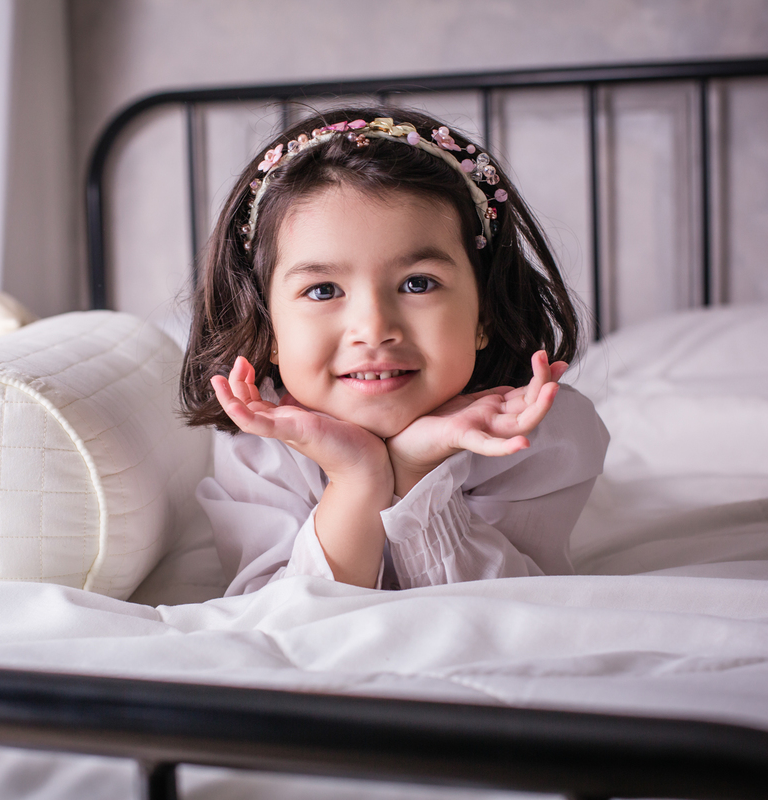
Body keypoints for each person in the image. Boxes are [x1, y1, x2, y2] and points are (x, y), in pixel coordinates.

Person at [180, 107, 610, 595]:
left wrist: (414, 472)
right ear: (270, 331)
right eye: (323, 290)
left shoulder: (540, 438)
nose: (374, 329)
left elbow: (510, 609)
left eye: (417, 283)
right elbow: (282, 619)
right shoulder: (262, 447)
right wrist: (356, 478)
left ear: (484, 316)